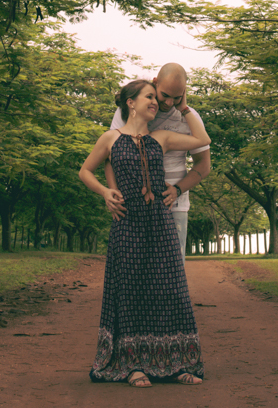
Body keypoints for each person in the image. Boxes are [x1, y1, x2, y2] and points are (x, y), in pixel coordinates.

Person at [78, 79, 209, 387]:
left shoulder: (162, 138)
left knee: (171, 290)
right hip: (127, 223)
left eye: (155, 97)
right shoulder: (110, 138)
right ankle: (132, 365)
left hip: (160, 222)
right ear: (130, 103)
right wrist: (105, 192)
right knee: (131, 292)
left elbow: (203, 139)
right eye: (148, 97)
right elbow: (85, 170)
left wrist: (184, 106)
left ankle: (178, 364)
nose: (154, 102)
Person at [106, 63, 211, 259]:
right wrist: (113, 193)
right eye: (165, 95)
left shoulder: (190, 118)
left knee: (172, 268)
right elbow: (112, 156)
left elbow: (204, 165)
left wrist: (177, 189)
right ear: (155, 83)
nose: (170, 103)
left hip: (173, 205)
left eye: (177, 97)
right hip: (134, 203)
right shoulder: (131, 111)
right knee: (135, 265)